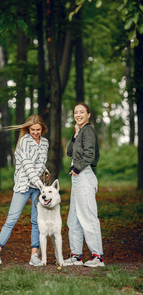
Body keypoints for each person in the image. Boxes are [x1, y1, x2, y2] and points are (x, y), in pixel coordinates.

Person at [0, 115, 49, 267]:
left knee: (36, 222)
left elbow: (41, 162)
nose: (35, 132)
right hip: (23, 185)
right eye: (32, 129)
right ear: (28, 128)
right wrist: (41, 185)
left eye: (38, 130)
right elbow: (27, 165)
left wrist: (45, 171)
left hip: (37, 187)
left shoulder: (45, 142)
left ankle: (34, 256)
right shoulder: (24, 141)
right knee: (11, 220)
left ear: (42, 129)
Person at [64, 102, 105, 267]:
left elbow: (91, 154)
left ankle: (98, 256)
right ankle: (76, 256)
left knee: (88, 217)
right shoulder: (80, 131)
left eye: (82, 112)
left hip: (84, 176)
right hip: (77, 179)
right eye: (76, 112)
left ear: (88, 114)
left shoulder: (88, 131)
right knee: (73, 219)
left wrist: (77, 168)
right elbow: (69, 152)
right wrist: (75, 134)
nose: (78, 115)